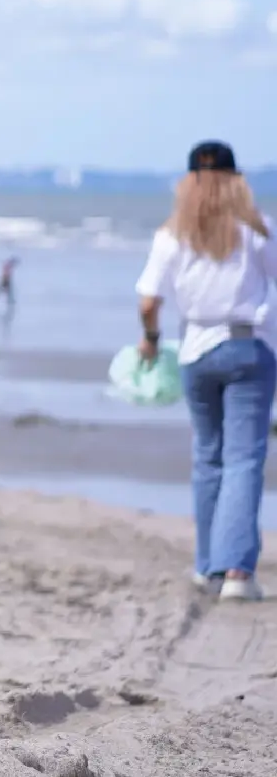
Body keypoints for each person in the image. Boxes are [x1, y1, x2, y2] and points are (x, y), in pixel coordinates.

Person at [136, 140, 275, 603]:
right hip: (245, 348)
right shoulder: (257, 230)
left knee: (208, 457)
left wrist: (151, 340)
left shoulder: (171, 234)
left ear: (190, 181)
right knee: (243, 460)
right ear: (238, 181)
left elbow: (149, 301)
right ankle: (236, 571)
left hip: (196, 349)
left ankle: (206, 567)